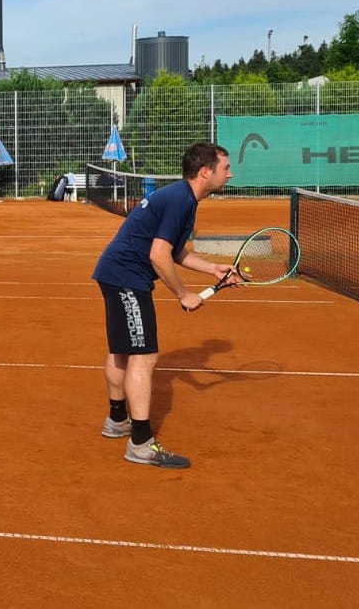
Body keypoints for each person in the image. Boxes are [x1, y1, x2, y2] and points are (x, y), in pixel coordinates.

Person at [91, 142, 240, 470]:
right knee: (144, 356)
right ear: (206, 172)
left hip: (115, 272)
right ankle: (141, 443)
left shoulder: (181, 197)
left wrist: (212, 269)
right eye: (225, 168)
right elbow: (158, 255)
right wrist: (183, 294)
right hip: (127, 277)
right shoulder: (181, 200)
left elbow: (174, 250)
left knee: (122, 351)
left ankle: (117, 420)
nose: (230, 174)